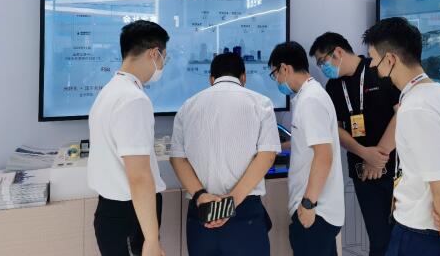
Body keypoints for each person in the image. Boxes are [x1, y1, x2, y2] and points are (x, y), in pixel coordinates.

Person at [362, 17, 440, 256]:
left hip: (424, 240)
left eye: (373, 59)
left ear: (390, 59)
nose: (371, 66)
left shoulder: (416, 108)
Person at [170, 52, 281, 256]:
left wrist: (201, 196)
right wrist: (230, 202)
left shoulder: (187, 107)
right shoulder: (261, 103)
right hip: (244, 210)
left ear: (211, 79)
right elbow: (267, 156)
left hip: (202, 210)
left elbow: (177, 159)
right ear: (243, 77)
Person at [309, 32, 399, 256]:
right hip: (363, 173)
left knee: (402, 236)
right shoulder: (333, 87)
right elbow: (336, 129)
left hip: (396, 170)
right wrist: (365, 154)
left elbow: (402, 114)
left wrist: (378, 157)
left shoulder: (379, 70)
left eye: (322, 61)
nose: (322, 68)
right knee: (378, 239)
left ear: (338, 52)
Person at [88, 20, 169, 256]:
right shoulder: (133, 100)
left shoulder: (110, 91)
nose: (162, 65)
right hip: (130, 216)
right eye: (164, 57)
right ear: (154, 54)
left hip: (113, 212)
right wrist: (151, 240)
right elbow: (139, 176)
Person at [268, 41, 344, 256]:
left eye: (274, 74)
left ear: (285, 68)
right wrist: (276, 147)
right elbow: (306, 142)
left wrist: (308, 204)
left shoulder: (310, 100)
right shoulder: (308, 96)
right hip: (316, 209)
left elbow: (324, 155)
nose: (277, 80)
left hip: (316, 211)